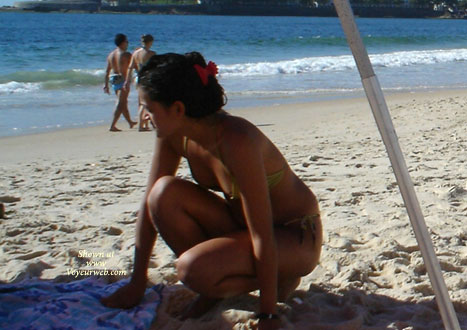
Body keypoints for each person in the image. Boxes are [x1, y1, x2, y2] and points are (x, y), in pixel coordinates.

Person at [101, 52, 322, 329]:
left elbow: (262, 232)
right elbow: (148, 206)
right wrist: (137, 282)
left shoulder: (237, 140)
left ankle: (267, 278)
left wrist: (268, 314)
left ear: (178, 109)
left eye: (149, 108)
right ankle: (214, 285)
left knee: (192, 269)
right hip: (242, 226)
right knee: (161, 194)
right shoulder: (173, 134)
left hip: (294, 234)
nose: (145, 116)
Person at [103, 33, 137, 131]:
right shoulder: (126, 54)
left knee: (123, 102)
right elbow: (135, 65)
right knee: (121, 102)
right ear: (122, 43)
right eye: (126, 41)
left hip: (114, 78)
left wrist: (106, 85)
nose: (128, 43)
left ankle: (130, 122)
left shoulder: (111, 54)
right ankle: (112, 125)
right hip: (122, 79)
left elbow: (107, 71)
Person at [124, 34, 156, 131]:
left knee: (141, 101)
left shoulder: (135, 53)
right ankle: (142, 125)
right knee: (146, 102)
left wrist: (127, 81)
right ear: (150, 42)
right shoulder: (151, 53)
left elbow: (130, 67)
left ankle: (144, 124)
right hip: (146, 78)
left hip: (137, 78)